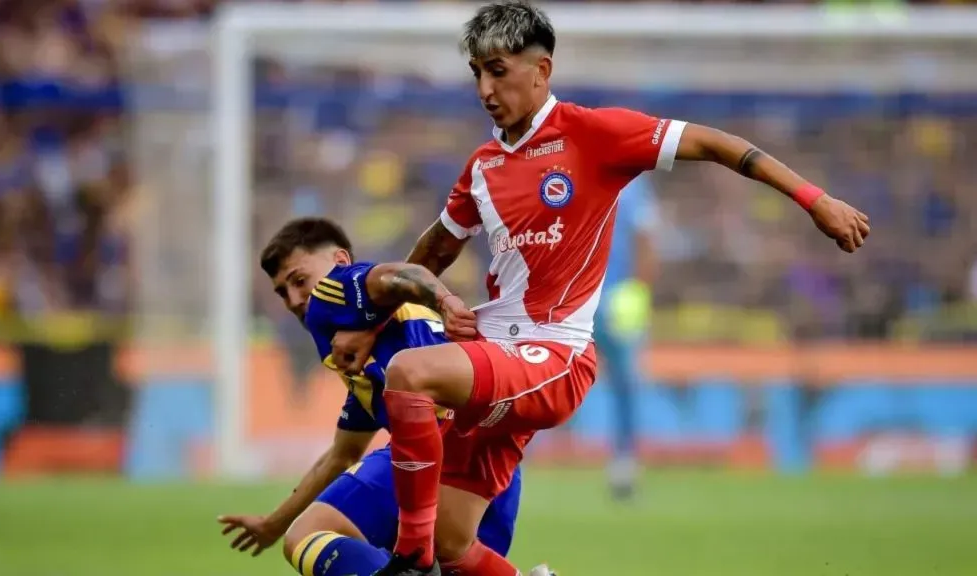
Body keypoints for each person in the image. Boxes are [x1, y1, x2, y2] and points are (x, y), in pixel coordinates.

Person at [330, 2, 870, 575]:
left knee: (411, 375)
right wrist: (373, 322)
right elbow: (436, 250)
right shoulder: (483, 167)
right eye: (477, 74)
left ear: (542, 71)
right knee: (455, 542)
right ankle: (440, 554)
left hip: (554, 353)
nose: (486, 88)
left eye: (499, 70)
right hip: (498, 350)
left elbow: (714, 144)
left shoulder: (593, 134)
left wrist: (817, 201)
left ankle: (408, 562)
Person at [216, 218, 538, 576]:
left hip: (436, 446)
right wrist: (272, 524)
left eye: (298, 280)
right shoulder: (375, 364)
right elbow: (342, 455)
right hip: (494, 465)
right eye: (282, 292)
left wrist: (446, 300)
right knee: (448, 557)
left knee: (309, 535)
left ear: (339, 261)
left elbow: (401, 274)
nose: (294, 300)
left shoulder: (339, 287)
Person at [596, 175, 658, 500]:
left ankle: (625, 461)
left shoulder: (634, 187)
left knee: (626, 383)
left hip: (617, 299)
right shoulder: (585, 176)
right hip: (578, 297)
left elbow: (645, 242)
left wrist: (639, 293)